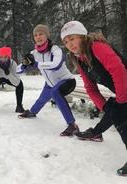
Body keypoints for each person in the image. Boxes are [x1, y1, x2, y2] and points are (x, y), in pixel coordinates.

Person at [61, 20, 127, 176]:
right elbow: (90, 87)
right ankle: (96, 133)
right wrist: (104, 106)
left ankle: (96, 132)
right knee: (113, 110)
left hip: (124, 89)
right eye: (65, 41)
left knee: (119, 115)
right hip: (122, 92)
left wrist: (122, 100)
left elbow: (118, 70)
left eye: (72, 38)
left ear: (82, 36)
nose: (69, 44)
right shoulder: (79, 58)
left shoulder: (96, 47)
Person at [18, 24, 79, 137]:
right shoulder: (34, 53)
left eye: (41, 33)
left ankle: (72, 125)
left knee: (55, 92)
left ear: (47, 35)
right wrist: (24, 65)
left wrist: (36, 64)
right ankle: (32, 112)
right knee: (42, 98)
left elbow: (55, 65)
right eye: (35, 35)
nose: (38, 37)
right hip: (50, 84)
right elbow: (18, 70)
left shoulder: (55, 50)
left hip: (67, 81)